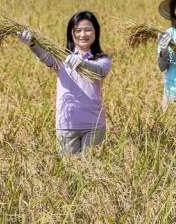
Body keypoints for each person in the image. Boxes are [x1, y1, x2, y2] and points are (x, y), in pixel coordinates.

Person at [17, 11, 112, 155]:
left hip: (94, 125)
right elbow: (44, 56)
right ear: (71, 33)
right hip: (66, 124)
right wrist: (31, 43)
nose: (83, 34)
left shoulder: (102, 59)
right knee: (70, 172)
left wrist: (82, 63)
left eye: (88, 30)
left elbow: (100, 70)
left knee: (93, 171)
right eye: (78, 30)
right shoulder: (61, 57)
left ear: (95, 32)